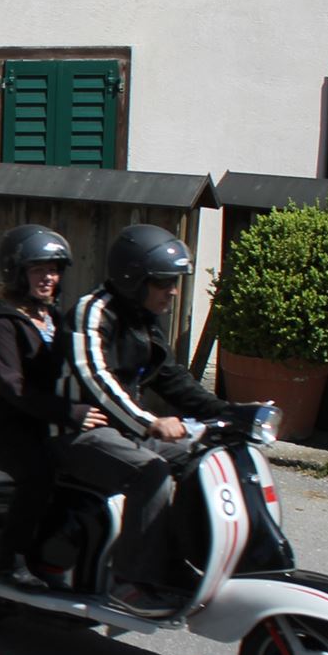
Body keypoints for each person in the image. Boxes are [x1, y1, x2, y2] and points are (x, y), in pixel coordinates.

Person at [62, 223, 231, 609]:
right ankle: (129, 582)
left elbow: (171, 378)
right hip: (77, 431)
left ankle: (171, 562)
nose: (173, 290)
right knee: (150, 471)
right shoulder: (93, 312)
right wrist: (150, 422)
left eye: (174, 282)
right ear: (133, 278)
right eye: (163, 282)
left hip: (121, 431)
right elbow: (97, 381)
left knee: (198, 460)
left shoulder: (142, 318)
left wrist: (230, 413)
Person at [0, 226, 107, 589]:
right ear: (17, 272)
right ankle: (11, 560)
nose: (48, 277)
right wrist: (71, 413)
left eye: (53, 270)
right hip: (9, 426)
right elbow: (14, 388)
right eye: (38, 270)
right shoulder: (0, 323)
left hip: (46, 418)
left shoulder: (52, 317)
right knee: (40, 475)